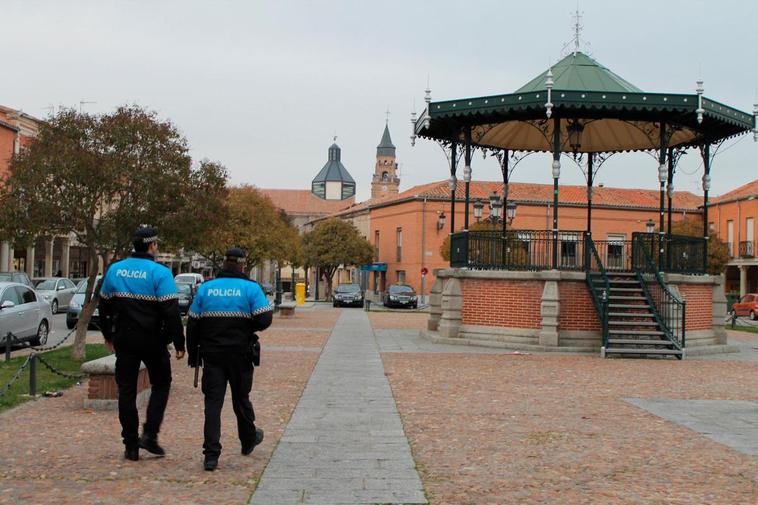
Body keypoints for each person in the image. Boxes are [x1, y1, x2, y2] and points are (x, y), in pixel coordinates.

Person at [99, 227, 185, 461]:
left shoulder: (115, 269)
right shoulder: (160, 272)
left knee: (126, 390)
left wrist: (108, 334)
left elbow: (103, 305)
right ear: (152, 246)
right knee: (162, 383)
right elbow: (170, 311)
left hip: (125, 339)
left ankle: (130, 445)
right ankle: (149, 434)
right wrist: (179, 342)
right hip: (153, 339)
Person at [187, 247, 273, 471]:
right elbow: (265, 319)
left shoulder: (206, 289)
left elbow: (193, 323)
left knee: (212, 404)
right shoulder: (251, 289)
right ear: (243, 265)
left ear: (224, 264)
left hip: (212, 355)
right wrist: (246, 326)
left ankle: (211, 455)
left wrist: (192, 354)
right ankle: (247, 439)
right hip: (240, 354)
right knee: (241, 398)